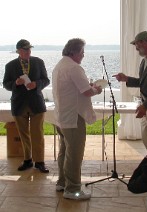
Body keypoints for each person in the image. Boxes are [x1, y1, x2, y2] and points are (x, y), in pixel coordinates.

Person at [52, 38, 102, 200]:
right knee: (74, 154)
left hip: (61, 116)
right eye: (82, 52)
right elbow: (86, 92)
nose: (83, 55)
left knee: (64, 151)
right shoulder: (74, 68)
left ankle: (62, 182)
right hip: (73, 117)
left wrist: (89, 88)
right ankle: (72, 189)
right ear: (73, 52)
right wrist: (97, 89)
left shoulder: (59, 65)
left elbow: (76, 89)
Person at [3, 39, 50, 173]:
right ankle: (28, 160)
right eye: (25, 49)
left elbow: (46, 80)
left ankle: (39, 162)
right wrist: (15, 83)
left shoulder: (38, 62)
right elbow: (6, 84)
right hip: (19, 104)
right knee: (24, 135)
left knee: (38, 134)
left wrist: (36, 84)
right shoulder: (10, 65)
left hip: (36, 103)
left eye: (29, 49)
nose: (28, 52)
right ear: (18, 51)